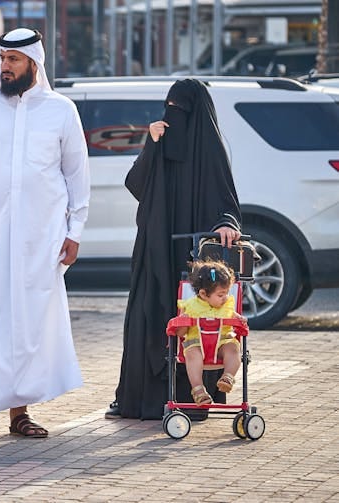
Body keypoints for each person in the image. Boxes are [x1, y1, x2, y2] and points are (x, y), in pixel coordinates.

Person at [0, 28, 90, 438]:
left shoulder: (61, 110)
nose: (5, 66)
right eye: (2, 58)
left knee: (28, 324)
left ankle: (19, 414)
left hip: (40, 238)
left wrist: (74, 231)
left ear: (34, 64)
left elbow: (77, 176)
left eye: (14, 60)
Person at [106, 78, 242, 420]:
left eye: (179, 109)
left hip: (194, 260)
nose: (172, 115)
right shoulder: (161, 143)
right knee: (149, 317)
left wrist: (227, 224)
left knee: (195, 324)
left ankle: (193, 396)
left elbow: (227, 201)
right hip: (155, 251)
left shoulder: (211, 152)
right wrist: (150, 145)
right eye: (169, 107)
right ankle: (139, 399)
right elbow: (135, 184)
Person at [174, 260, 245, 405]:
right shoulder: (191, 306)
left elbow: (237, 320)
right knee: (192, 354)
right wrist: (183, 323)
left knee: (233, 349)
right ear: (203, 294)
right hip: (197, 343)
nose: (225, 297)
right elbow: (181, 333)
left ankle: (227, 377)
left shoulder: (227, 305)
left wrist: (240, 320)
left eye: (226, 293)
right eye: (220, 295)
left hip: (222, 343)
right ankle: (198, 390)